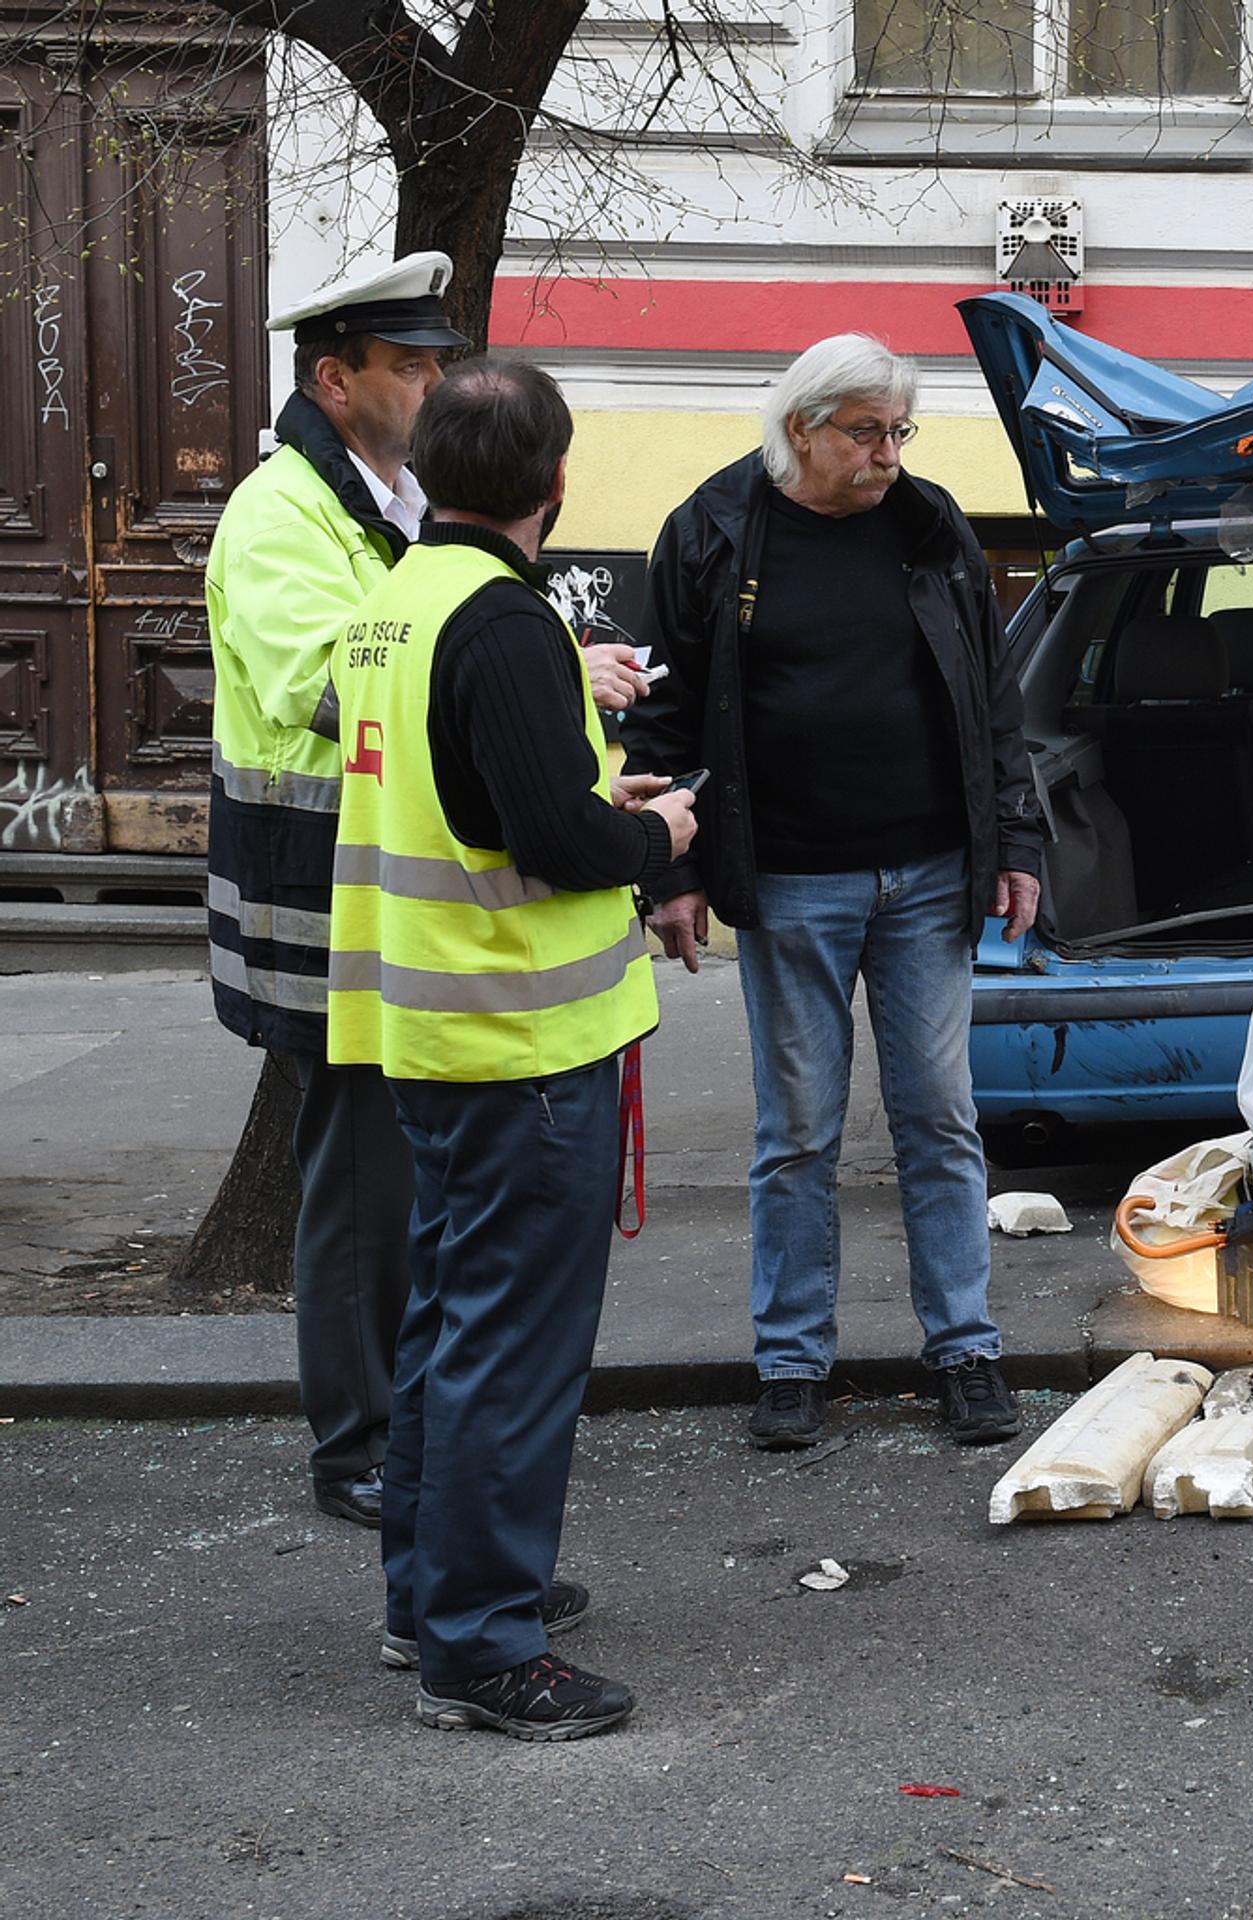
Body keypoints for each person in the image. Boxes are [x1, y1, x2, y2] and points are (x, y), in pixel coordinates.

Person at [328, 356, 696, 1740]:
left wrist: (595, 791)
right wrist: (654, 832)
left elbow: (477, 802)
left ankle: (430, 1601)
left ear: (426, 470)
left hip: (435, 1029)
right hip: (523, 1040)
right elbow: (548, 838)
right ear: (556, 479)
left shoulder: (395, 603)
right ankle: (482, 1645)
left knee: (448, 1326)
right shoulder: (508, 622)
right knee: (512, 1352)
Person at [623, 334, 1043, 1453]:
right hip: (790, 878)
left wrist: (1017, 841)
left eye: (899, 432)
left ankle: (966, 1349)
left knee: (940, 1118)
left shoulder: (931, 523)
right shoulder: (713, 529)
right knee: (798, 1130)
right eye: (866, 433)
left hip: (931, 874)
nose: (887, 455)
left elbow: (993, 700)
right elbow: (663, 715)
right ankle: (791, 1361)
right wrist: (671, 873)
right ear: (800, 427)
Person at [205, 254, 463, 1528]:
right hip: (317, 898)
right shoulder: (280, 511)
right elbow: (325, 683)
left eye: (436, 365)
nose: (432, 387)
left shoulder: (391, 502)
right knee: (361, 1188)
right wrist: (496, 684)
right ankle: (357, 1449)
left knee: (396, 1181)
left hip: (379, 890)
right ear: (334, 380)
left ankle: (396, 1423)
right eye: (407, 367)